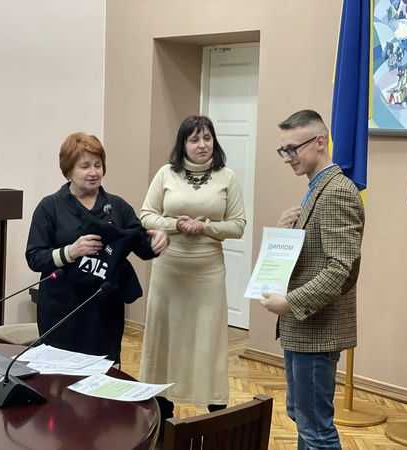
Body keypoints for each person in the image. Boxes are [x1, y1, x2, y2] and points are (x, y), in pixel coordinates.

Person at [259, 110, 365, 450]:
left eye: (293, 149)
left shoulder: (336, 192)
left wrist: (290, 302)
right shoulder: (315, 189)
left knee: (317, 429)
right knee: (303, 418)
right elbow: (313, 255)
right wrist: (284, 233)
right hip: (302, 329)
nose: (287, 157)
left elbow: (340, 269)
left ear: (320, 142)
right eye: (283, 150)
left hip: (318, 329)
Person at [25, 132, 168, 364]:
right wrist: (70, 252)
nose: (93, 172)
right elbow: (35, 258)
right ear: (68, 171)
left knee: (104, 372)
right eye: (85, 166)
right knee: (59, 375)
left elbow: (142, 247)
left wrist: (159, 239)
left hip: (105, 312)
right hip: (62, 310)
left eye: (97, 165)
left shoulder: (118, 207)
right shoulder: (50, 207)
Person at [139, 115, 246, 417]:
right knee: (166, 336)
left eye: (207, 138)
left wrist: (206, 228)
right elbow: (145, 215)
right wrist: (175, 225)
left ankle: (215, 407)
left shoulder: (227, 177)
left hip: (207, 272)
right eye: (194, 139)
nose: (202, 145)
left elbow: (238, 225)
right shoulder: (165, 174)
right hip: (169, 270)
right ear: (183, 144)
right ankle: (163, 406)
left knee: (208, 338)